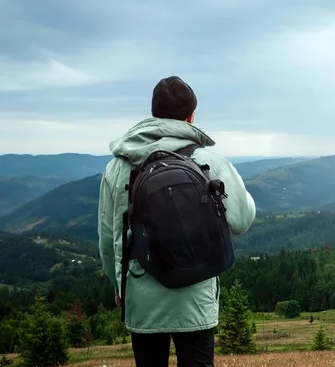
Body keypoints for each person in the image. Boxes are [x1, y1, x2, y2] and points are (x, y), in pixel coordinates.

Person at [97, 76, 256, 366]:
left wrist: (118, 286)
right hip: (196, 294)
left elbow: (108, 240)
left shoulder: (117, 167)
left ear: (154, 113)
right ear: (191, 117)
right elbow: (241, 220)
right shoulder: (209, 160)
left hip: (141, 293)